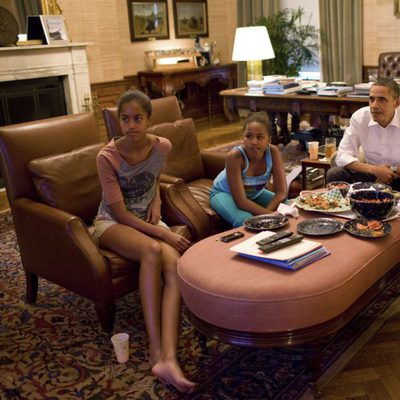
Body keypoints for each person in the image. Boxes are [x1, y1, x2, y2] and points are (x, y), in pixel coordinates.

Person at [91, 89, 196, 393]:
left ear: (149, 120)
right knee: (153, 250)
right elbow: (120, 214)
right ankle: (154, 349)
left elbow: (154, 180)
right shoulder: (107, 157)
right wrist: (163, 231)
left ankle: (170, 357)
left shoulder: (162, 147)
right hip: (112, 223)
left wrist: (158, 204)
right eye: (125, 119)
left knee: (174, 263)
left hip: (147, 220)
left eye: (138, 118)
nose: (131, 125)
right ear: (119, 123)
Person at [210, 113, 287, 227]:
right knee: (246, 221)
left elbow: (281, 192)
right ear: (243, 139)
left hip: (255, 194)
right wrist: (269, 216)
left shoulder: (273, 152)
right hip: (225, 194)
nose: (254, 142)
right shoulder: (235, 156)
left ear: (269, 140)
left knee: (289, 206)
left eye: (260, 137)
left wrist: (269, 214)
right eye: (249, 136)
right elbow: (241, 201)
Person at [327, 77, 400, 190]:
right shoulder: (360, 117)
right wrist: (375, 170)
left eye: (382, 99)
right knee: (335, 173)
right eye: (372, 99)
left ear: (397, 103)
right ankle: (344, 207)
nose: (374, 105)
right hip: (371, 175)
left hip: (397, 177)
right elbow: (342, 156)